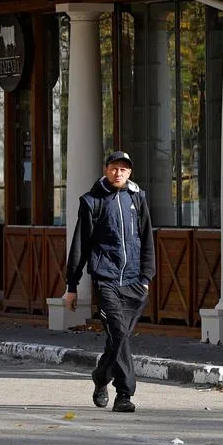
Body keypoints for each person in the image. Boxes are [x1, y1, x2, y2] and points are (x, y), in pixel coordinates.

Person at [62, 151, 155, 413]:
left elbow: (147, 238)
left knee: (119, 336)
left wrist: (146, 278)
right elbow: (80, 244)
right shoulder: (93, 201)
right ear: (106, 169)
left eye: (124, 169)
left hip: (135, 281)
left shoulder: (137, 197)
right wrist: (72, 285)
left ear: (130, 173)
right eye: (114, 168)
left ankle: (101, 377)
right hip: (107, 280)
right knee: (119, 333)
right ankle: (124, 394)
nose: (119, 173)